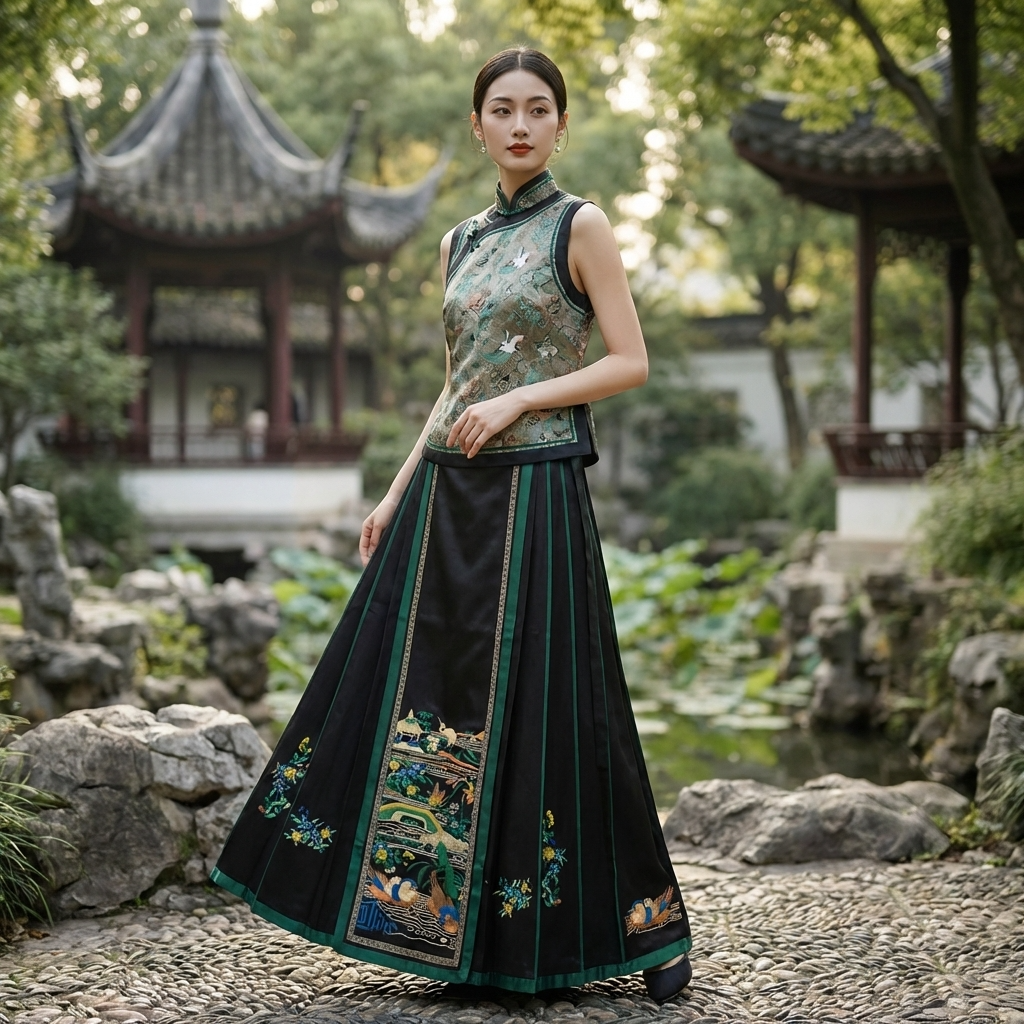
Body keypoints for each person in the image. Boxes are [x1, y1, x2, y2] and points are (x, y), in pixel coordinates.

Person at [212, 47, 692, 1003]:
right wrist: (395, 490)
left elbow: (628, 360)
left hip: (539, 492)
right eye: (502, 109)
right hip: (449, 494)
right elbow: (454, 387)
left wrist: (522, 405)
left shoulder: (580, 226)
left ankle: (639, 925)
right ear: (477, 126)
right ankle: (440, 931)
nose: (520, 125)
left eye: (539, 109)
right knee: (421, 706)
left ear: (561, 125)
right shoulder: (459, 242)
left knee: (567, 702)